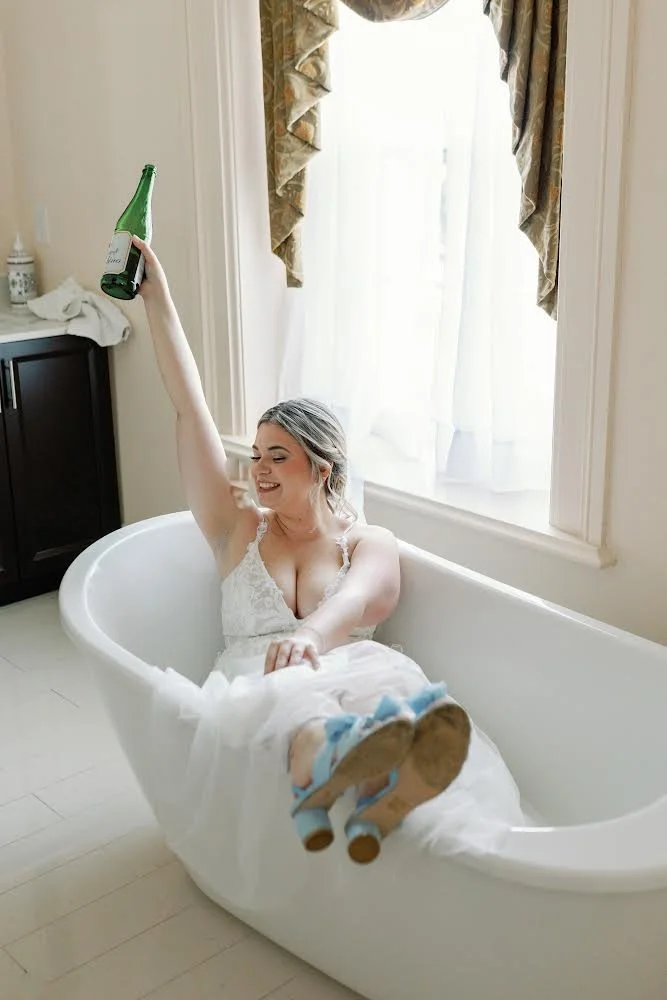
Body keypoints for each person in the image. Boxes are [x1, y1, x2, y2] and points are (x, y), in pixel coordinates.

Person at [133, 236, 524, 888]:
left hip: (353, 665)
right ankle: (348, 768)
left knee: (402, 709)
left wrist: (313, 634)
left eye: (275, 456)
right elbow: (188, 404)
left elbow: (363, 602)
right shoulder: (236, 529)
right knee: (300, 712)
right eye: (255, 455)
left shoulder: (367, 541)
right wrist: (156, 297)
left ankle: (380, 785)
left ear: (321, 467)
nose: (256, 470)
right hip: (258, 685)